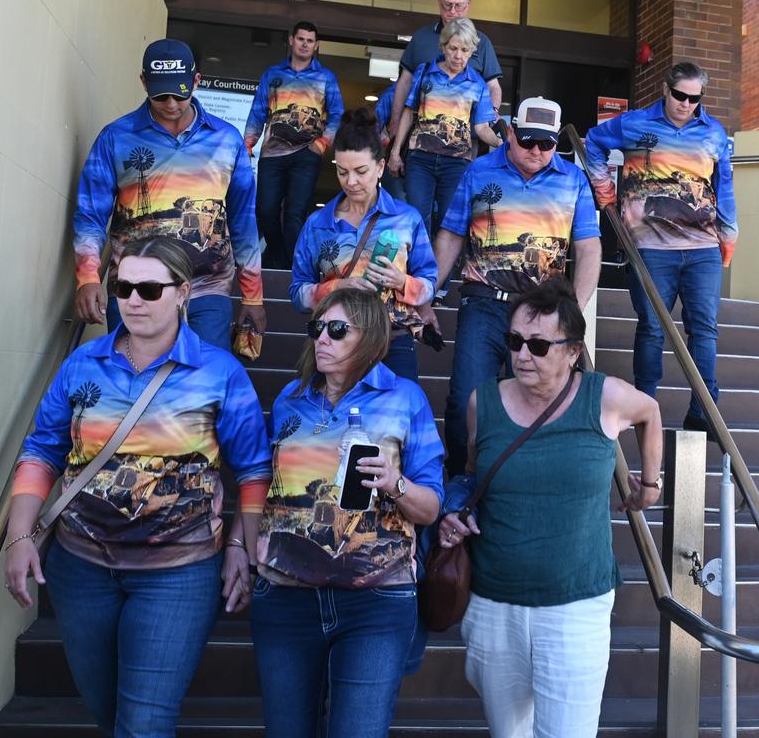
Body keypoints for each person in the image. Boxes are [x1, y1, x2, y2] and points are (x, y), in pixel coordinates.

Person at [3, 237, 271, 736]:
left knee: (144, 723)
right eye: (123, 286)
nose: (132, 300)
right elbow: (42, 450)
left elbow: (254, 470)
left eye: (149, 288)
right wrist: (19, 537)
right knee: (107, 711)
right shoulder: (83, 364)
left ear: (183, 292)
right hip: (80, 568)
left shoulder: (220, 374)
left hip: (179, 572)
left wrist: (239, 544)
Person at [438, 277, 663, 738]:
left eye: (539, 345)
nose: (522, 355)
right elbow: (473, 474)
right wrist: (457, 514)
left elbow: (651, 412)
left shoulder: (606, 397)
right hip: (493, 603)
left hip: (576, 607)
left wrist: (651, 484)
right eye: (515, 341)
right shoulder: (484, 402)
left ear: (573, 351)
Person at [227, 288, 444, 738]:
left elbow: (431, 507)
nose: (322, 338)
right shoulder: (291, 397)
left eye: (337, 329)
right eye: (317, 328)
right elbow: (264, 480)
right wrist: (237, 544)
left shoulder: (405, 399)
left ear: (370, 338)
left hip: (376, 599)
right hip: (287, 594)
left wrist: (395, 483)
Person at [434, 96, 602, 476]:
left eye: (547, 143)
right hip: (484, 303)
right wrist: (426, 294)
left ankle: (508, 483)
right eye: (527, 141)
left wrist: (573, 308)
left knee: (531, 403)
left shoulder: (573, 179)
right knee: (466, 400)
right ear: (510, 132)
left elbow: (589, 247)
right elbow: (451, 235)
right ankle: (462, 481)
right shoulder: (478, 171)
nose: (537, 151)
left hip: (542, 311)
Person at [73, 38, 265, 350]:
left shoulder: (227, 140)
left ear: (196, 81)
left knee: (201, 388)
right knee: (134, 383)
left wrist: (252, 295)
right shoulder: (115, 138)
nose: (172, 103)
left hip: (207, 287)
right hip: (134, 288)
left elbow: (244, 222)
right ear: (143, 82)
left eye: (180, 92)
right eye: (161, 94)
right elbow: (90, 216)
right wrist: (88, 278)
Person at [584, 61, 738, 436]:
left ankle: (704, 409)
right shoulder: (635, 123)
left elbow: (725, 184)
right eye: (681, 96)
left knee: (704, 329)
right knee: (652, 328)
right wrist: (606, 196)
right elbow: (593, 142)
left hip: (701, 246)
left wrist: (729, 233)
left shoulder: (713, 132)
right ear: (666, 91)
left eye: (694, 99)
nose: (687, 104)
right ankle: (644, 403)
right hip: (650, 247)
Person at [290, 108, 437, 381]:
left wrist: (402, 282)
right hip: (334, 342)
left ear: (380, 167)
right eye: (342, 172)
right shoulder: (318, 224)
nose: (351, 181)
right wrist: (336, 287)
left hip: (392, 342)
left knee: (396, 420)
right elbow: (297, 292)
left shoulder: (406, 219)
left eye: (361, 171)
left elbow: (429, 283)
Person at [245, 21, 345, 269]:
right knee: (265, 212)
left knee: (294, 214)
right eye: (301, 39)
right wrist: (246, 145)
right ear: (291, 40)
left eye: (310, 41)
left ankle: (291, 267)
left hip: (306, 154)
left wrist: (322, 143)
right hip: (271, 154)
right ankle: (279, 256)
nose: (305, 44)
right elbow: (258, 112)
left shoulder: (326, 77)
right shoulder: (272, 74)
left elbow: (338, 114)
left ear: (316, 45)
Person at [388, 17, 502, 234]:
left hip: (456, 164)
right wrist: (395, 152)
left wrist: (503, 143)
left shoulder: (478, 83)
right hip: (420, 159)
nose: (458, 56)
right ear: (443, 46)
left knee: (449, 225)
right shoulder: (424, 71)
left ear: (472, 52)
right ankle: (415, 268)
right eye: (453, 48)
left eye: (465, 50)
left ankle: (443, 269)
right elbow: (409, 113)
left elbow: (481, 128)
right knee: (416, 218)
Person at [388, 0, 504, 143]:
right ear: (439, 1)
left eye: (459, 6)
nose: (452, 11)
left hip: (465, 138)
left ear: (468, 5)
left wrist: (490, 113)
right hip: (418, 135)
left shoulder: (482, 41)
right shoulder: (421, 37)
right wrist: (395, 122)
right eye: (447, 5)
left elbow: (493, 87)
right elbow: (404, 83)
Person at [374, 82, 407, 201]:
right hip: (394, 158)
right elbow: (374, 127)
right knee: (396, 203)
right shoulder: (392, 93)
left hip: (423, 160)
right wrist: (386, 142)